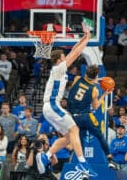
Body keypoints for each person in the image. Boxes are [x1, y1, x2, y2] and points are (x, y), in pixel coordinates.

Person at [37, 23, 96, 178]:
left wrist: (84, 37)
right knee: (75, 129)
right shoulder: (58, 69)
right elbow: (75, 54)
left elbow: (74, 50)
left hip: (49, 108)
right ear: (59, 60)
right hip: (52, 106)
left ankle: (46, 156)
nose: (66, 58)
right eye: (64, 57)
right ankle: (82, 163)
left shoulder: (59, 70)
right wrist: (88, 37)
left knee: (69, 136)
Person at [67, 65, 117, 169]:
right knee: (100, 136)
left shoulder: (77, 79)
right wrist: (105, 94)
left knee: (80, 140)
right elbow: (96, 106)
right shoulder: (95, 90)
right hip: (86, 116)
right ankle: (110, 160)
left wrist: (96, 79)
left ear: (86, 73)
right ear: (96, 75)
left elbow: (85, 82)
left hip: (73, 118)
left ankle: (83, 164)